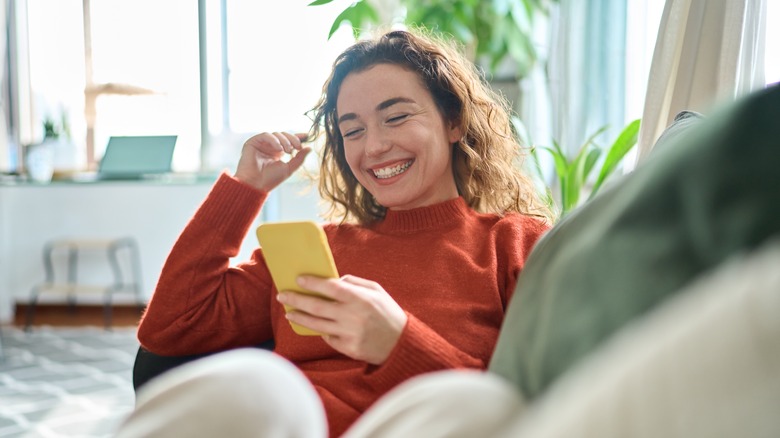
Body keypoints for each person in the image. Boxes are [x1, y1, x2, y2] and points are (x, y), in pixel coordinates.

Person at [121, 28, 551, 437]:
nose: (374, 146)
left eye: (396, 117)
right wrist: (243, 191)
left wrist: (398, 342)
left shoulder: (515, 245)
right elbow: (169, 329)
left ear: (453, 121)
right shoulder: (316, 251)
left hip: (424, 426)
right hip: (294, 425)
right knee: (262, 381)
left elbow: (525, 407)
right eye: (353, 131)